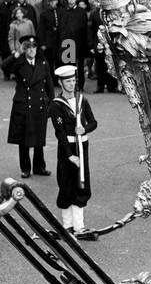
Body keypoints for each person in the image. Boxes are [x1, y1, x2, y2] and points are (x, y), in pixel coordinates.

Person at [50, 65, 98, 238]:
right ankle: (67, 225)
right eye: (68, 81)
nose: (72, 84)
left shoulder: (82, 100)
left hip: (82, 146)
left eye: (73, 81)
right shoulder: (56, 105)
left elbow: (93, 122)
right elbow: (60, 132)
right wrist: (70, 155)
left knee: (81, 183)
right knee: (66, 183)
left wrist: (84, 129)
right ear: (61, 83)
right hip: (67, 149)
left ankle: (79, 226)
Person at [7, 34, 53, 179]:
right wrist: (16, 55)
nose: (32, 50)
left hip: (39, 104)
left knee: (39, 138)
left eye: (34, 47)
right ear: (24, 49)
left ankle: (40, 167)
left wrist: (51, 102)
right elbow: (5, 67)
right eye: (28, 47)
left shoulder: (42, 62)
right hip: (24, 104)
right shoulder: (20, 62)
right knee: (24, 139)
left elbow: (49, 84)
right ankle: (25, 168)